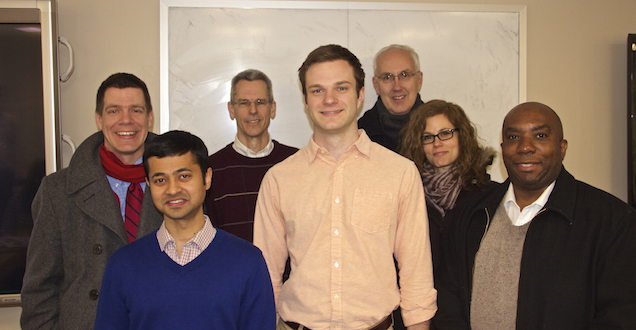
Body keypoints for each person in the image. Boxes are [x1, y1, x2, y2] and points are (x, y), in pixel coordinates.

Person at [253, 44, 437, 330]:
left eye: (341, 88)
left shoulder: (399, 173)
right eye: (317, 90)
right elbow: (266, 275)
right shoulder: (279, 179)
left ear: (361, 94)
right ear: (305, 99)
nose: (329, 100)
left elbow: (417, 274)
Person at [434, 102, 636, 329]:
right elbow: (447, 300)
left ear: (562, 147)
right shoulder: (471, 214)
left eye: (540, 135)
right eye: (513, 137)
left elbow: (620, 316)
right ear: (503, 149)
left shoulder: (612, 221)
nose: (525, 147)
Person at [21, 73, 164, 329]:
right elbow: (39, 291)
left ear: (150, 117)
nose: (126, 120)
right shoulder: (57, 191)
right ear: (99, 119)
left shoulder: (179, 187)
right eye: (114, 111)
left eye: (136, 110)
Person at [94, 130, 275, 329]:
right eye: (160, 180)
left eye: (184, 176)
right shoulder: (124, 264)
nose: (172, 190)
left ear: (207, 178)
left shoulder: (248, 262)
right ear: (148, 185)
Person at [399, 100, 497, 277]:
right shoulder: (409, 197)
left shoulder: (489, 196)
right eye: (428, 137)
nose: (437, 143)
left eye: (445, 133)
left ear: (462, 136)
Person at [205, 69, 297, 242]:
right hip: (233, 269)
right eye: (244, 103)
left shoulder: (296, 163)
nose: (253, 110)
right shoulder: (212, 170)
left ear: (273, 108)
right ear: (231, 110)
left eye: (260, 102)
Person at [358, 44, 424, 152]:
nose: (397, 87)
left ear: (419, 80)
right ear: (376, 85)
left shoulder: (441, 133)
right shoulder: (359, 135)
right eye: (387, 77)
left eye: (404, 75)